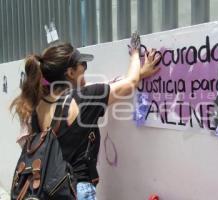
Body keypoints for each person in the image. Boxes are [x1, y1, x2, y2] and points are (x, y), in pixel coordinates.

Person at [10, 42, 160, 200]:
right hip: (76, 190)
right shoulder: (84, 98)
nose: (85, 69)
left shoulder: (37, 106)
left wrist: (140, 73)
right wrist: (136, 54)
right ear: (70, 72)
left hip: (48, 191)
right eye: (83, 65)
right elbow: (130, 84)